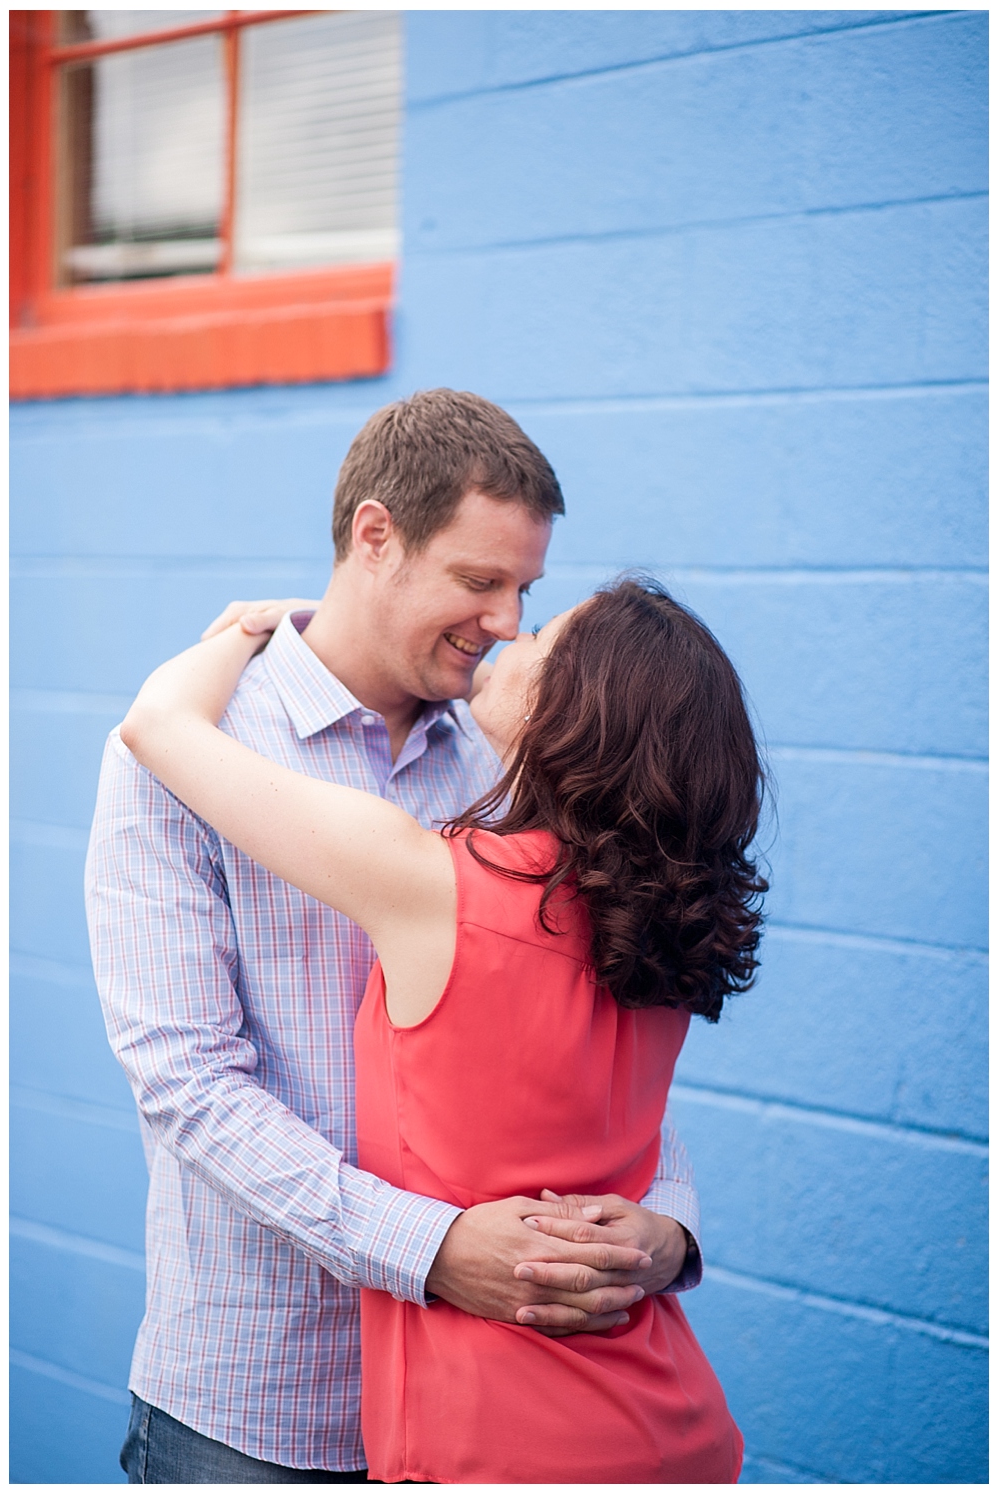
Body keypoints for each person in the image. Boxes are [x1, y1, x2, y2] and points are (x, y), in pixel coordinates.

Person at [85, 390, 703, 1483]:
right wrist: (429, 1253)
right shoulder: (192, 752)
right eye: (479, 581)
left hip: (490, 1405)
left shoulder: (518, 753)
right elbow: (184, 1078)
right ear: (377, 536)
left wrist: (667, 1229)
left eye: (527, 591)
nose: (507, 622)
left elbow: (589, 1047)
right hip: (261, 1410)